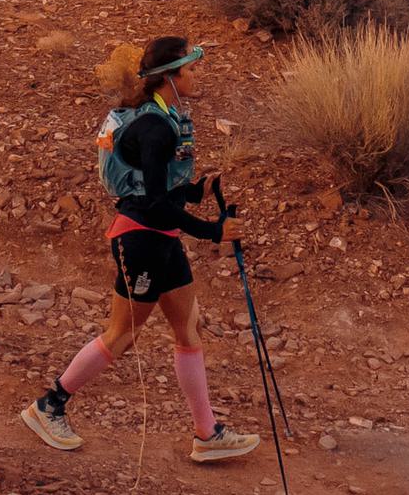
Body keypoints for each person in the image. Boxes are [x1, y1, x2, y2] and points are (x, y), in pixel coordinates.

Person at [23, 34, 257, 464]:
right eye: (191, 68)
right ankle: (49, 405)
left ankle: (206, 434)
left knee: (188, 330)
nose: (197, 75)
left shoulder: (164, 119)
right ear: (170, 76)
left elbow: (163, 193)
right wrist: (212, 232)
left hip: (161, 239)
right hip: (141, 240)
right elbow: (152, 203)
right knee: (124, 335)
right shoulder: (154, 128)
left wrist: (193, 190)